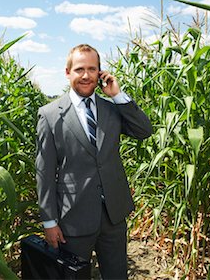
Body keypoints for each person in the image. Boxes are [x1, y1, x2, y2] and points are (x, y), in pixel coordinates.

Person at [35, 44, 153, 279]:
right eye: (79, 69)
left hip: (113, 215)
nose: (86, 75)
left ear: (100, 73)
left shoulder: (111, 109)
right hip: (74, 219)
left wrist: (117, 95)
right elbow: (44, 172)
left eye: (92, 69)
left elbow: (144, 130)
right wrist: (49, 221)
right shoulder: (49, 115)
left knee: (117, 275)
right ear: (68, 72)